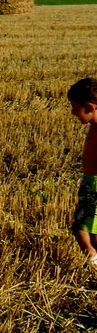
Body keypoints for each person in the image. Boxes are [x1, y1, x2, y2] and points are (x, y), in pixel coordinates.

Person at [68, 77, 97, 266]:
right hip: (90, 183)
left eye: (75, 108)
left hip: (95, 187)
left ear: (90, 107)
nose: (73, 113)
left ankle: (92, 259)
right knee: (91, 232)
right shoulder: (94, 125)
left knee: (80, 229)